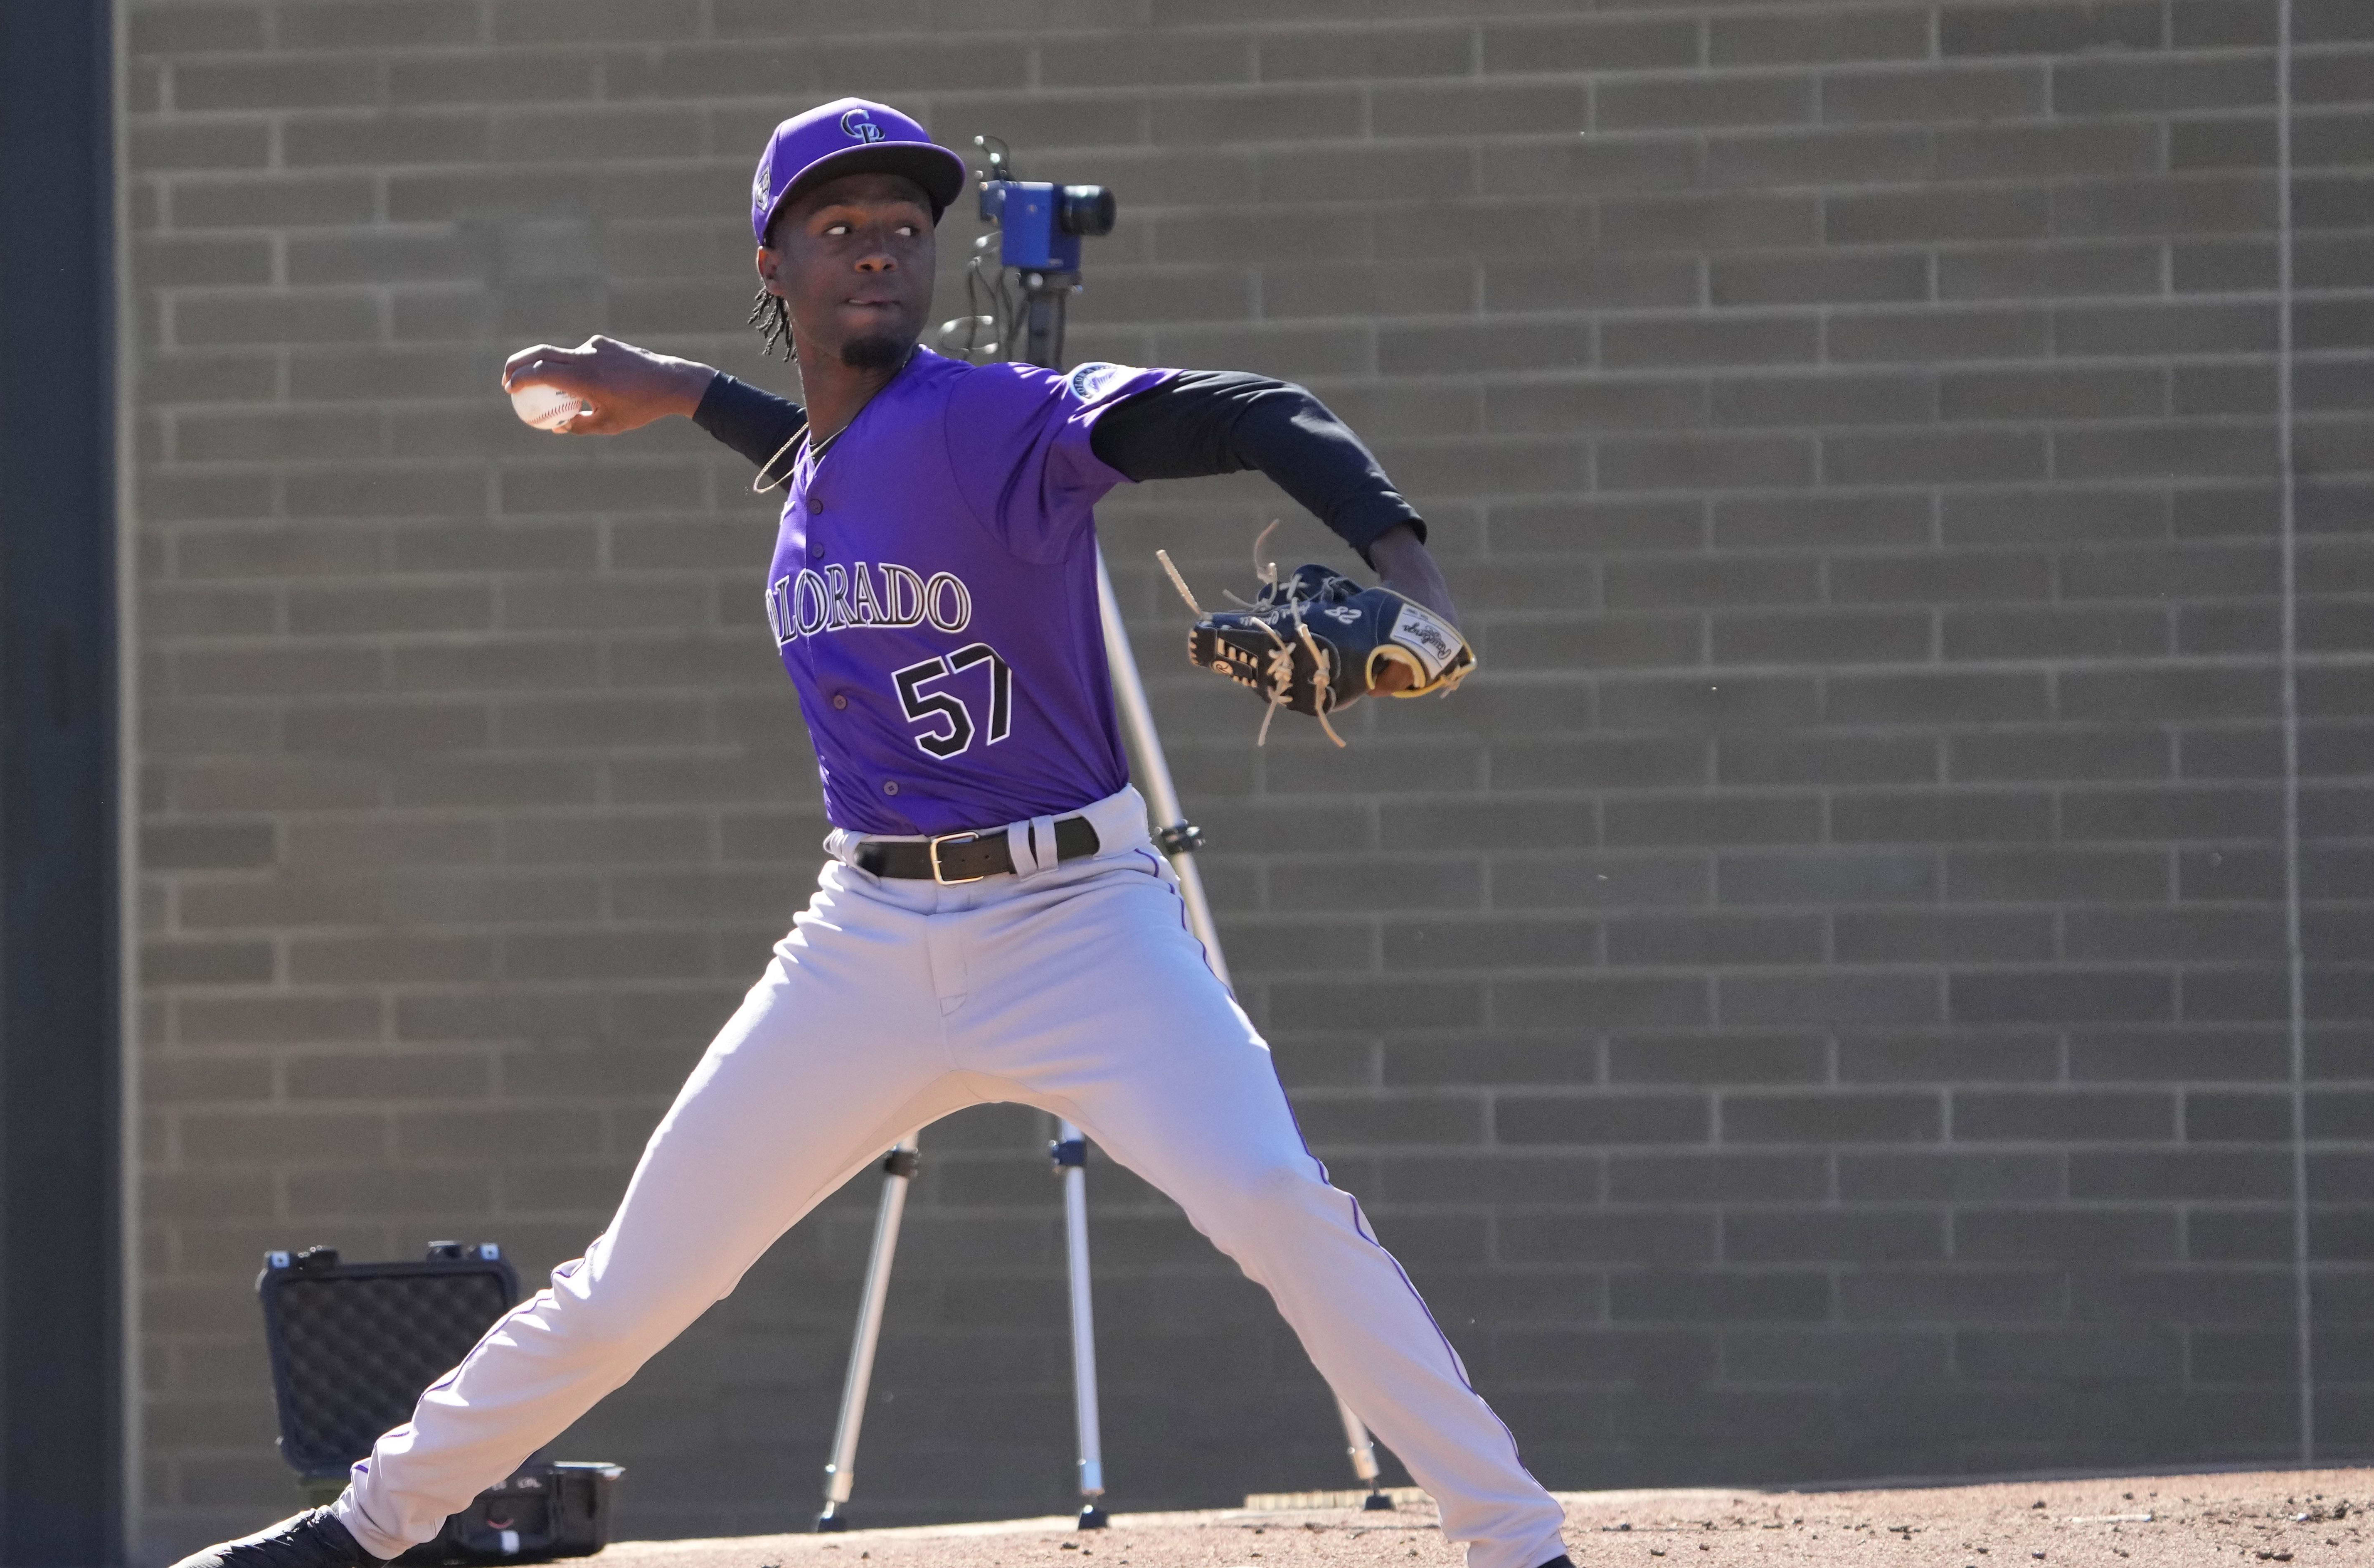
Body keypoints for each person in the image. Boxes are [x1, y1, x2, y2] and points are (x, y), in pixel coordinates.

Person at [175, 97, 1572, 1568]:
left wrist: (1414, 573)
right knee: (638, 1280)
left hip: (1079, 924)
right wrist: (689, 392)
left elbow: (1251, 410)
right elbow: (834, 464)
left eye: (904, 230)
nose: (878, 254)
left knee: (1281, 1203)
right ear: (770, 261)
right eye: (836, 230)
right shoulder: (836, 467)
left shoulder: (997, 418)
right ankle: (368, 1527)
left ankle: (1513, 1540)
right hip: (864, 941)